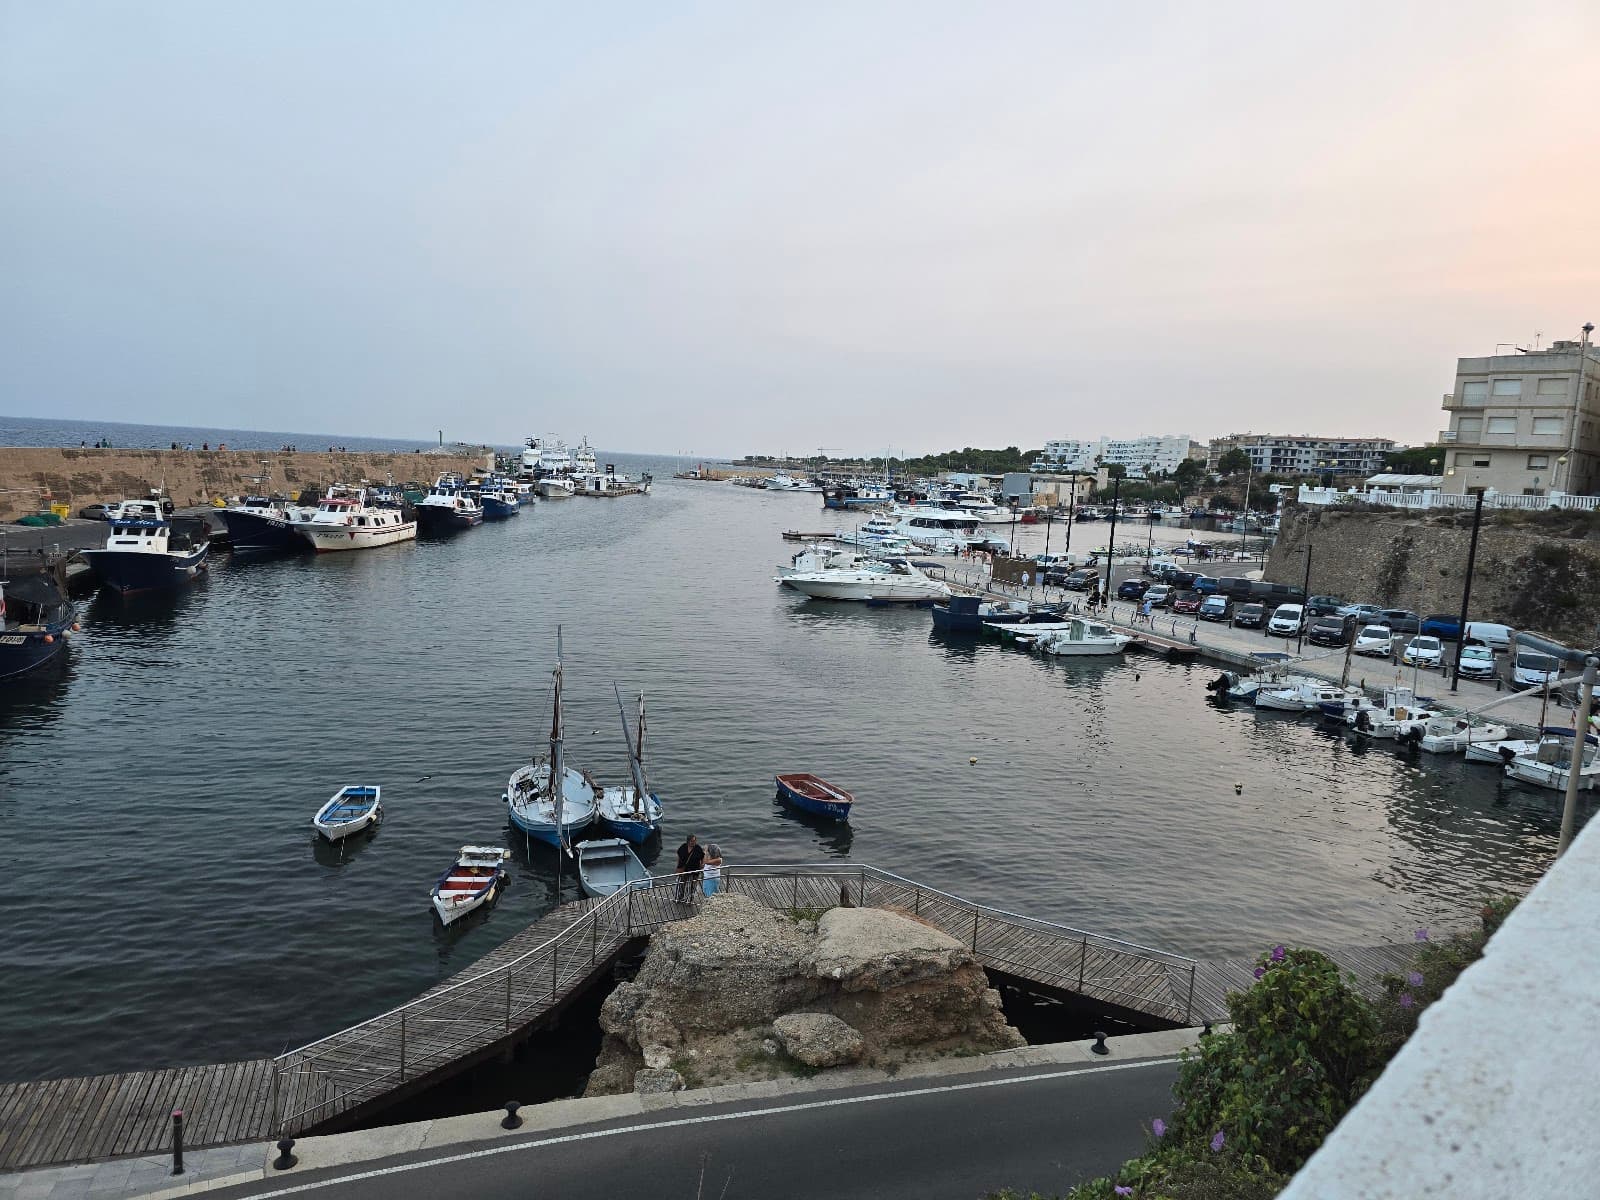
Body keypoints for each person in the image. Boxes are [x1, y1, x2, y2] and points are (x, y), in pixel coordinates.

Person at [674, 833, 704, 902]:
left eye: (694, 841)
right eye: (691, 841)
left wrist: (701, 866)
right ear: (688, 841)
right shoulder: (683, 847)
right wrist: (678, 867)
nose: (693, 842)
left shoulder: (698, 848)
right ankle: (679, 897)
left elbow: (702, 857)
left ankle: (689, 899)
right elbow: (679, 856)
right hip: (684, 870)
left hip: (694, 870)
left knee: (691, 886)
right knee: (681, 884)